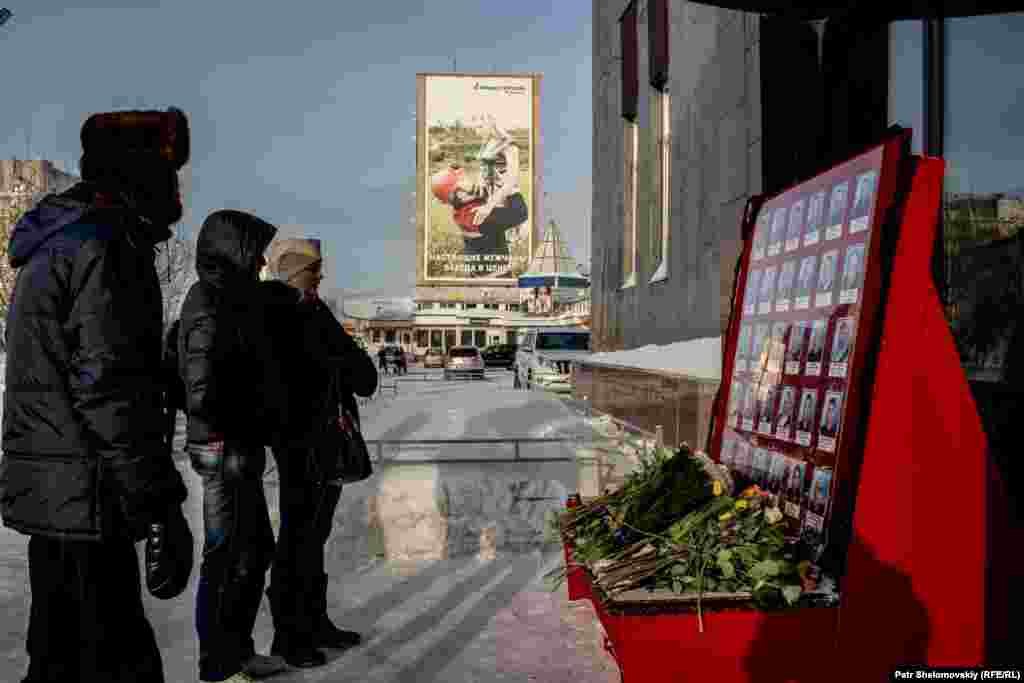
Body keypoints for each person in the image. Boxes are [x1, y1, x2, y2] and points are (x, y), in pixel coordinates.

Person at [0, 108, 191, 682]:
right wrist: (159, 501)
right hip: (89, 492)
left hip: (61, 493)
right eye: (169, 175)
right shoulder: (105, 248)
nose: (178, 192)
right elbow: (109, 392)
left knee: (59, 656)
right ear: (139, 174)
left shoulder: (61, 243)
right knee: (112, 662)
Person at [178, 209, 286, 683]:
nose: (263, 260)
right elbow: (201, 390)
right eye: (255, 250)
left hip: (238, 447)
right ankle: (217, 664)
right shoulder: (208, 301)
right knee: (224, 556)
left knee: (254, 549)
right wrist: (244, 416)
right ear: (234, 250)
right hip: (223, 448)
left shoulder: (233, 300)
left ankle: (237, 652)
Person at [259, 239, 377, 667]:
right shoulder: (285, 312)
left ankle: (314, 621)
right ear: (293, 272)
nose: (321, 276)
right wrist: (339, 359)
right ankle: (289, 636)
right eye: (314, 270)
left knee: (312, 537)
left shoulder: (310, 310)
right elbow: (353, 371)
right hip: (300, 444)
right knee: (298, 539)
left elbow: (362, 376)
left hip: (323, 442)